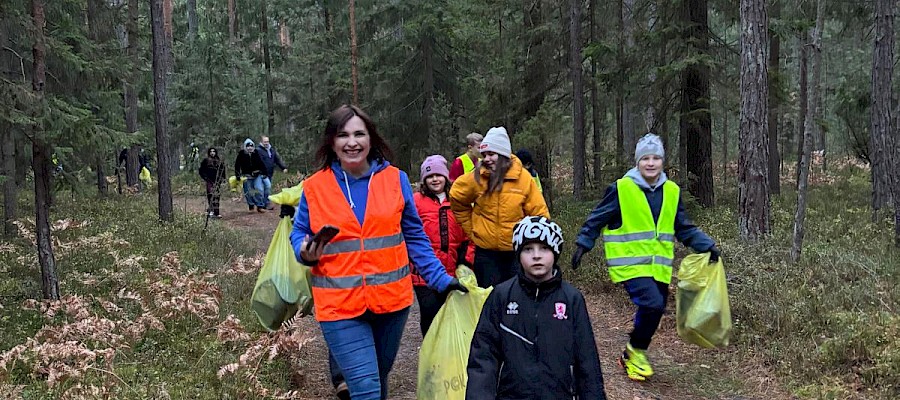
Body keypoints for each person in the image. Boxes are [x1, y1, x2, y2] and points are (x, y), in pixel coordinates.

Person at [288, 105, 468, 400]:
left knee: (378, 380)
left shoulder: (395, 179)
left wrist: (439, 278)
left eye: (359, 133)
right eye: (343, 135)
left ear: (371, 139)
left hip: (392, 304)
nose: (352, 142)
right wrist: (304, 250)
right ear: (332, 142)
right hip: (339, 306)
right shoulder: (315, 186)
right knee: (367, 389)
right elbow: (299, 233)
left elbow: (413, 235)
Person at [570, 133, 720, 382]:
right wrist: (583, 244)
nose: (650, 163)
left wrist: (707, 246)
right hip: (629, 265)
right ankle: (634, 351)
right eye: (645, 158)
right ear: (637, 162)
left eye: (656, 158)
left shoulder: (671, 191)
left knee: (656, 307)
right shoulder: (622, 188)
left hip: (658, 267)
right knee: (651, 304)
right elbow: (597, 218)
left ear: (663, 161)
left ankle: (634, 352)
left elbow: (683, 227)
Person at [466, 216, 607, 399]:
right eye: (528, 249)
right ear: (518, 254)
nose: (536, 255)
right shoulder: (501, 296)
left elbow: (587, 360)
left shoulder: (572, 299)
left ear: (555, 252)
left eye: (544, 248)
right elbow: (484, 356)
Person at [449, 126, 549, 288]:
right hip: (486, 254)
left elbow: (540, 214)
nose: (486, 159)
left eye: (491, 154)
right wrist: (473, 229)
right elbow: (456, 198)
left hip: (516, 254)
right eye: (484, 155)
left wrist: (535, 246)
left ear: (503, 155)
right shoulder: (478, 176)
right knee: (490, 302)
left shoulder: (523, 178)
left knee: (517, 300)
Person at [412, 155, 475, 336]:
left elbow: (469, 232)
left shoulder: (457, 200)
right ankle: (431, 354)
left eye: (438, 175)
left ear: (446, 177)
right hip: (424, 273)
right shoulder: (416, 201)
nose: (434, 179)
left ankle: (449, 356)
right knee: (430, 314)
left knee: (451, 314)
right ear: (424, 180)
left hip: (453, 268)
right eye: (430, 176)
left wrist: (466, 260)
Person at [233, 138, 268, 212]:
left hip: (256, 175)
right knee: (248, 191)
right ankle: (251, 205)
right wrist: (237, 175)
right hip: (246, 176)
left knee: (259, 189)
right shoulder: (241, 154)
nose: (250, 148)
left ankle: (260, 206)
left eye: (251, 146)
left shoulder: (256, 153)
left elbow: (261, 163)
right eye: (248, 146)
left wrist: (264, 173)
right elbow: (237, 165)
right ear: (245, 146)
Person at [256, 135, 287, 208]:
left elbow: (277, 160)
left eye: (267, 141)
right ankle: (261, 204)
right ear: (261, 142)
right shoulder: (258, 150)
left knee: (267, 188)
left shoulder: (271, 150)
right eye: (265, 142)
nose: (266, 143)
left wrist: (283, 168)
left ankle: (265, 203)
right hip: (260, 173)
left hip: (269, 173)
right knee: (261, 188)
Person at [199, 147, 226, 218]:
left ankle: (216, 212)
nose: (212, 153)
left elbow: (223, 171)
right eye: (211, 151)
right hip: (209, 181)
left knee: (217, 196)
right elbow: (201, 170)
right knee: (210, 195)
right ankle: (211, 210)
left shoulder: (219, 161)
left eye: (213, 151)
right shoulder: (206, 161)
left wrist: (223, 179)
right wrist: (205, 177)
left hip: (217, 181)